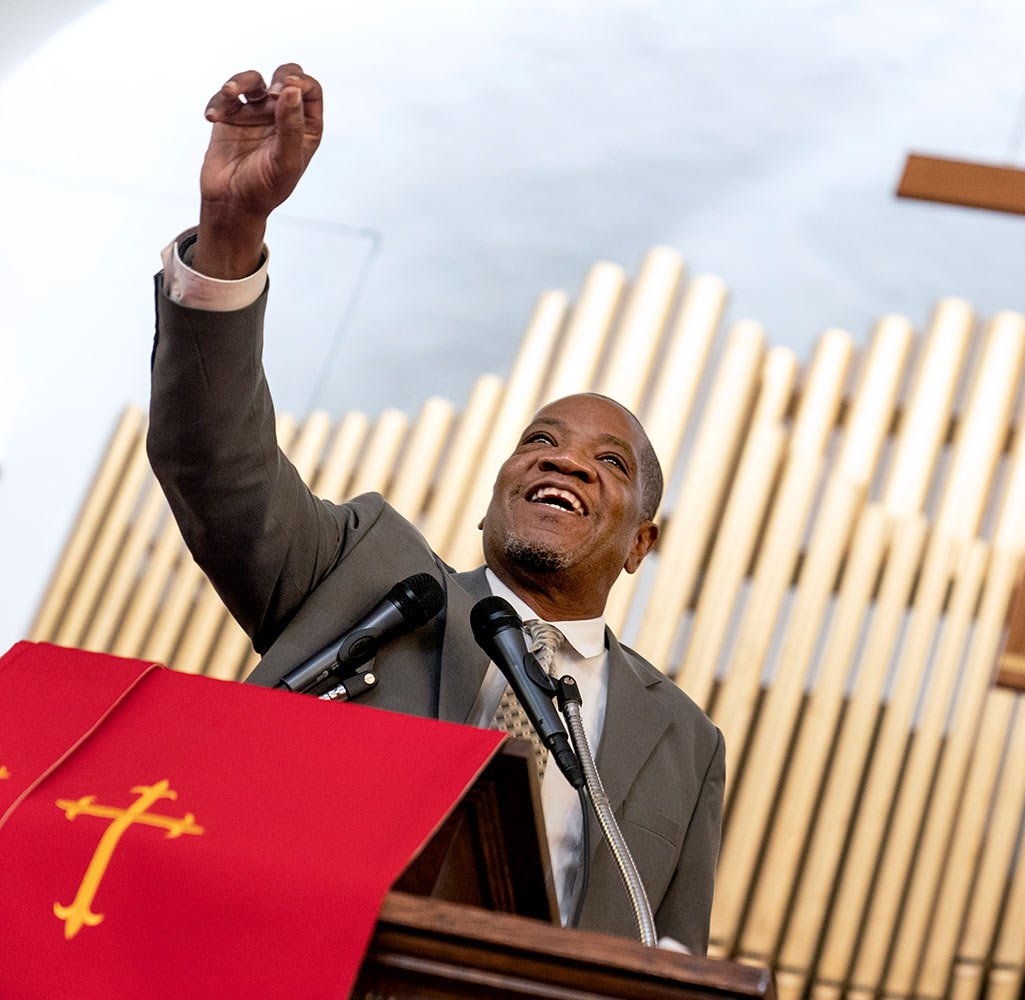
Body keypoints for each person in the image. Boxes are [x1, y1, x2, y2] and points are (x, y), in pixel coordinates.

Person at [146, 63, 724, 953]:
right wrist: (231, 231)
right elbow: (214, 464)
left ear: (642, 541)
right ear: (498, 486)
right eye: (541, 440)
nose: (563, 457)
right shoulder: (365, 578)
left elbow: (673, 956)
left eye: (607, 460)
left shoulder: (683, 741)